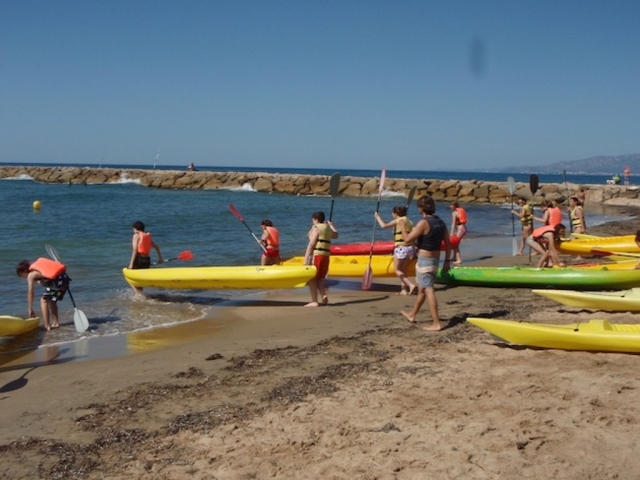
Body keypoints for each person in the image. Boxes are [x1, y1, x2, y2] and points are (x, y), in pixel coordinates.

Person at [399, 195, 451, 331]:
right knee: (422, 288)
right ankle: (412, 315)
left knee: (428, 290)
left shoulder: (423, 223)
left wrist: (402, 227)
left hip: (425, 261)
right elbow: (448, 242)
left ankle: (436, 323)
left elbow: (407, 240)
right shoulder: (440, 221)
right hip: (435, 260)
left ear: (421, 208)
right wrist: (447, 261)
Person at [16, 257, 71, 331]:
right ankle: (56, 323)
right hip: (65, 280)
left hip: (57, 282)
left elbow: (30, 293)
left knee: (43, 300)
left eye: (21, 275)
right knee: (52, 300)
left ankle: (47, 326)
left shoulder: (31, 275)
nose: (23, 277)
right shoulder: (38, 271)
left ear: (24, 271)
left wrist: (30, 308)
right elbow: (49, 275)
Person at [374, 205, 416, 295]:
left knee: (396, 269)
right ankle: (403, 290)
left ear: (395, 213)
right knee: (403, 270)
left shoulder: (398, 220)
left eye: (392, 213)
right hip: (410, 248)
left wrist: (378, 217)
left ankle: (411, 285)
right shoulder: (410, 221)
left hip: (401, 248)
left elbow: (384, 225)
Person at [303, 211, 338, 307]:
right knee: (320, 278)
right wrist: (331, 225)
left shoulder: (316, 228)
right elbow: (336, 235)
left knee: (312, 278)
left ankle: (314, 301)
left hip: (317, 255)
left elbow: (311, 244)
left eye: (313, 220)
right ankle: (323, 295)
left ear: (316, 219)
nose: (312, 222)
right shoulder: (327, 227)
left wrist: (306, 259)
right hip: (326, 256)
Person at [127, 221, 163, 292]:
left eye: (133, 229)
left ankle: (137, 294)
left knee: (129, 277)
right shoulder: (147, 236)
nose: (133, 231)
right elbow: (156, 247)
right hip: (147, 260)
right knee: (141, 279)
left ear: (136, 229)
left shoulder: (136, 236)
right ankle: (140, 295)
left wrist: (131, 264)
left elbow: (135, 250)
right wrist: (160, 259)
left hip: (139, 259)